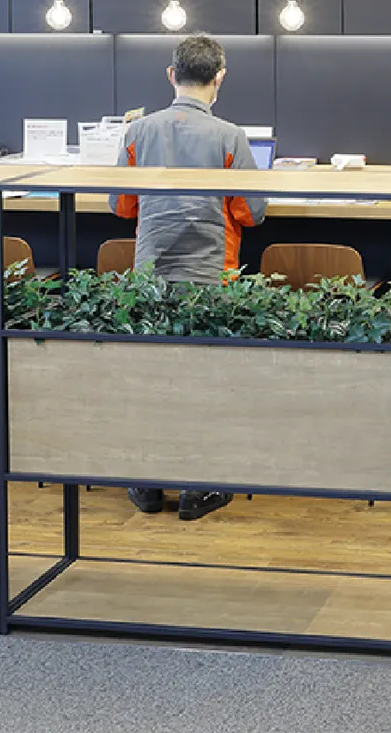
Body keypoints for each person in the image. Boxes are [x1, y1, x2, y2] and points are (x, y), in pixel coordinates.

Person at [108, 34, 268, 521]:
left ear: (171, 75)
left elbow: (120, 206)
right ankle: (200, 488)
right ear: (219, 79)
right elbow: (252, 212)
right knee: (206, 377)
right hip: (210, 277)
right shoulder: (230, 137)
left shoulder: (136, 133)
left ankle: (147, 485)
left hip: (150, 279)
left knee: (152, 377)